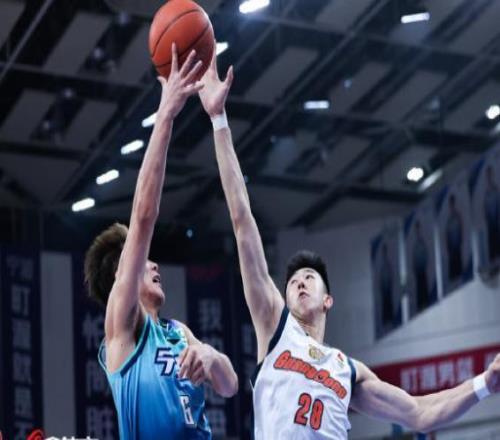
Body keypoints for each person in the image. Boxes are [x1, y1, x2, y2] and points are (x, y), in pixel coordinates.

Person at [197, 49, 500, 438]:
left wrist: (485, 384)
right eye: (293, 281)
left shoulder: (346, 369)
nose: (299, 282)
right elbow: (242, 221)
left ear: (328, 300)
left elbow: (420, 412)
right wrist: (219, 120)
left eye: (309, 278)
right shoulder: (275, 328)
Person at [84, 45, 238, 440]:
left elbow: (229, 386)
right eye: (143, 260)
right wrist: (166, 115)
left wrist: (211, 356)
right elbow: (143, 216)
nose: (153, 265)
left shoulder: (178, 332)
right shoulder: (122, 326)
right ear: (121, 275)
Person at [445, 194, 464, 283]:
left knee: (458, 263)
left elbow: (461, 229)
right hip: (451, 247)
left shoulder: (457, 217)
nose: (451, 206)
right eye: (450, 204)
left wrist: (460, 241)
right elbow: (447, 234)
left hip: (457, 245)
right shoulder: (449, 220)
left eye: (452, 204)